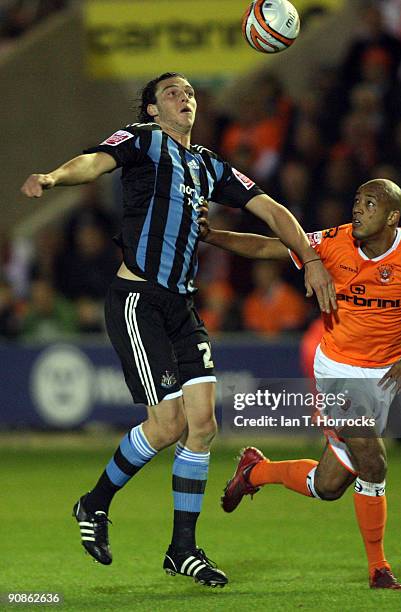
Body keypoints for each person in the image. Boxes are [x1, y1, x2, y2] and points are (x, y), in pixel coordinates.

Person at [20, 72, 336, 588]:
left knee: (203, 424)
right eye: (171, 92)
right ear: (150, 109)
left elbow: (271, 209)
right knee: (167, 426)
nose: (184, 97)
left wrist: (310, 259)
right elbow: (94, 161)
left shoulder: (209, 165)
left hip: (181, 307)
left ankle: (182, 549)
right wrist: (55, 178)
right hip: (138, 300)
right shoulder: (142, 140)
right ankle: (93, 503)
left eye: (188, 92)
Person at [198, 178, 401, 590]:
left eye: (369, 205)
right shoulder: (333, 242)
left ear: (391, 216)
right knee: (373, 460)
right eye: (356, 201)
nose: (358, 210)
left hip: (385, 376)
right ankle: (379, 570)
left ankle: (255, 472)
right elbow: (269, 246)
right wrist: (212, 236)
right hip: (338, 369)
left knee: (329, 485)